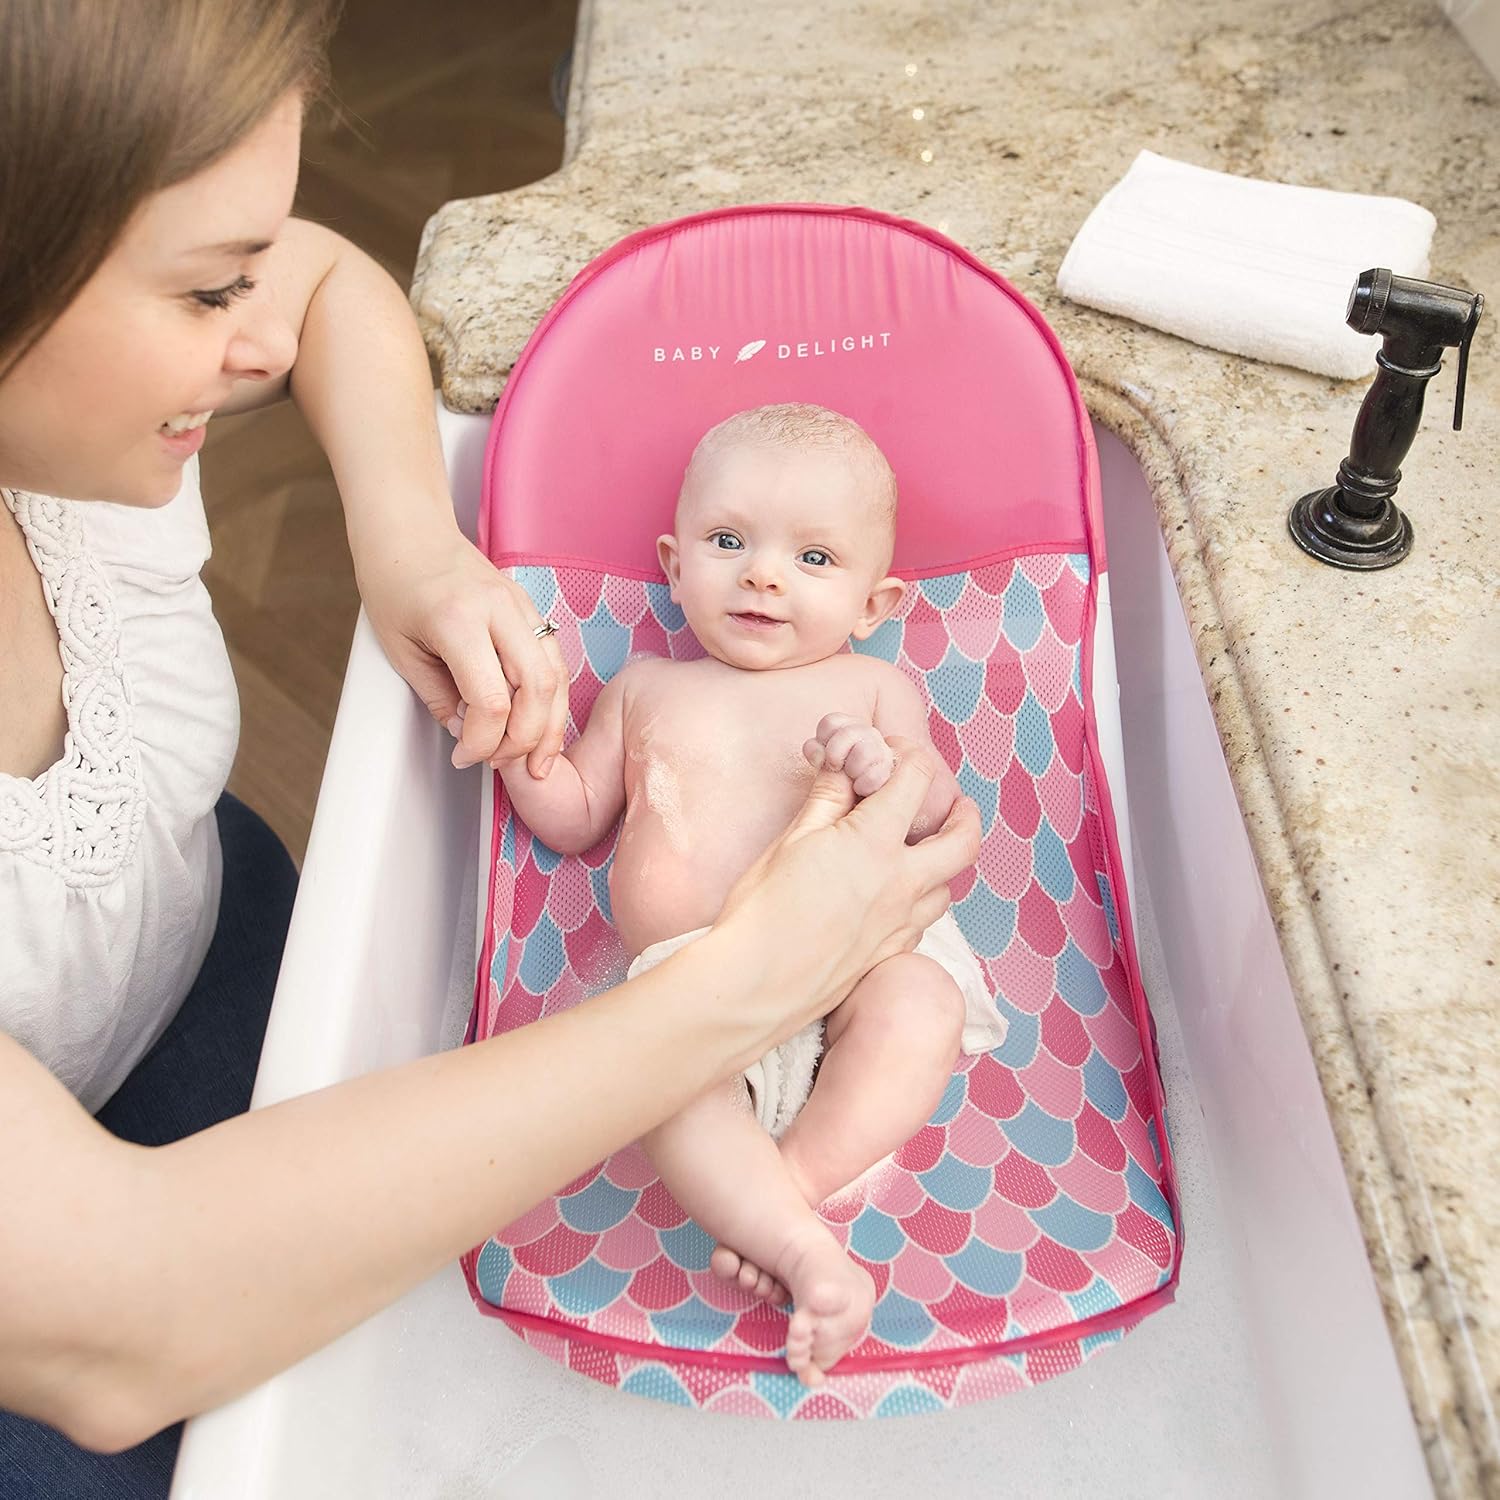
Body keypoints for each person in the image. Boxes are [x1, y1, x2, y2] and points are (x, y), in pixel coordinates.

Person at [0, 4, 981, 1495]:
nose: (258, 333)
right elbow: (117, 1326)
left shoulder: (78, 417)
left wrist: (410, 542)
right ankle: (780, 1210)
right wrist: (745, 984)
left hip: (218, 959)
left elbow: (323, 283)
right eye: (209, 294)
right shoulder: (656, 688)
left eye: (243, 272)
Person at [495, 404, 1005, 1386]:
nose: (764, 573)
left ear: (874, 602)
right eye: (729, 541)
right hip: (695, 992)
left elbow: (939, 818)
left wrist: (880, 761)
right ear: (675, 563)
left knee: (923, 1004)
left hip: (859, 959)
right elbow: (572, 815)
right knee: (656, 1079)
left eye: (814, 559)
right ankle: (805, 1247)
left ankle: (786, 1198)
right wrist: (524, 737)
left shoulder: (869, 686)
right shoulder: (644, 688)